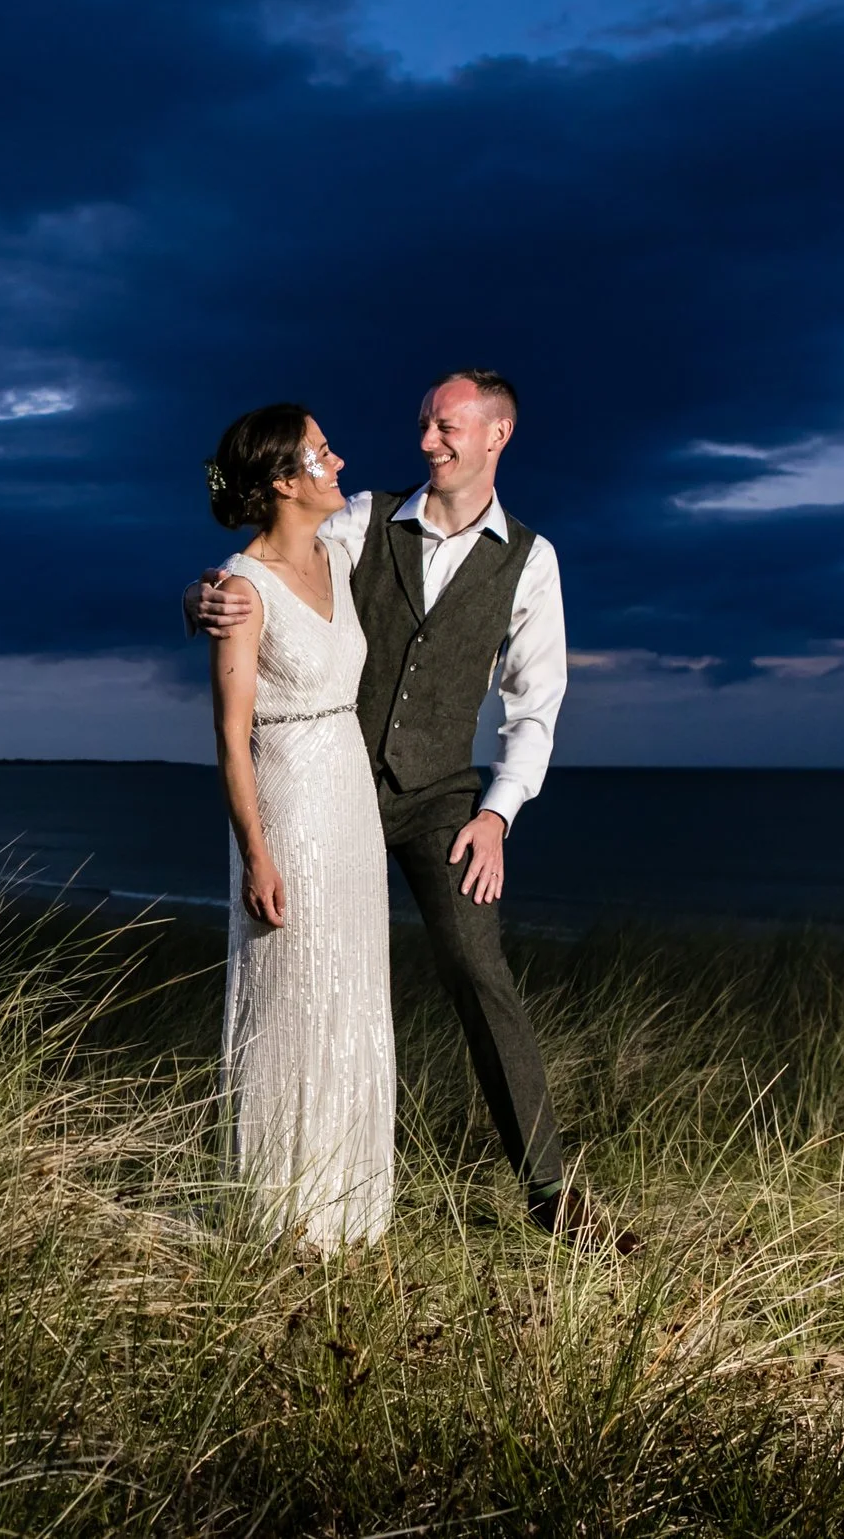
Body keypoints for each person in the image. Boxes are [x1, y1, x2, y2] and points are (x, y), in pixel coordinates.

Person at [190, 369, 632, 1250]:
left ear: (497, 435)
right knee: (314, 981)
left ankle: (552, 1196)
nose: (428, 439)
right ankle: (295, 1184)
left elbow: (535, 707)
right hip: (334, 786)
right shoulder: (360, 518)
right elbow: (270, 570)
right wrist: (199, 597)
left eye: (448, 425)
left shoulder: (531, 561)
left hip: (442, 803)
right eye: (425, 423)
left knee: (479, 970)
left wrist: (497, 814)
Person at [206, 403, 395, 1248]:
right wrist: (258, 852)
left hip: (350, 798)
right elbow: (229, 733)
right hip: (289, 802)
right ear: (285, 480)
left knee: (353, 989)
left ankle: (348, 1208)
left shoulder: (336, 552)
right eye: (322, 451)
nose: (338, 457)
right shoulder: (241, 588)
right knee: (290, 995)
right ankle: (282, 1215)